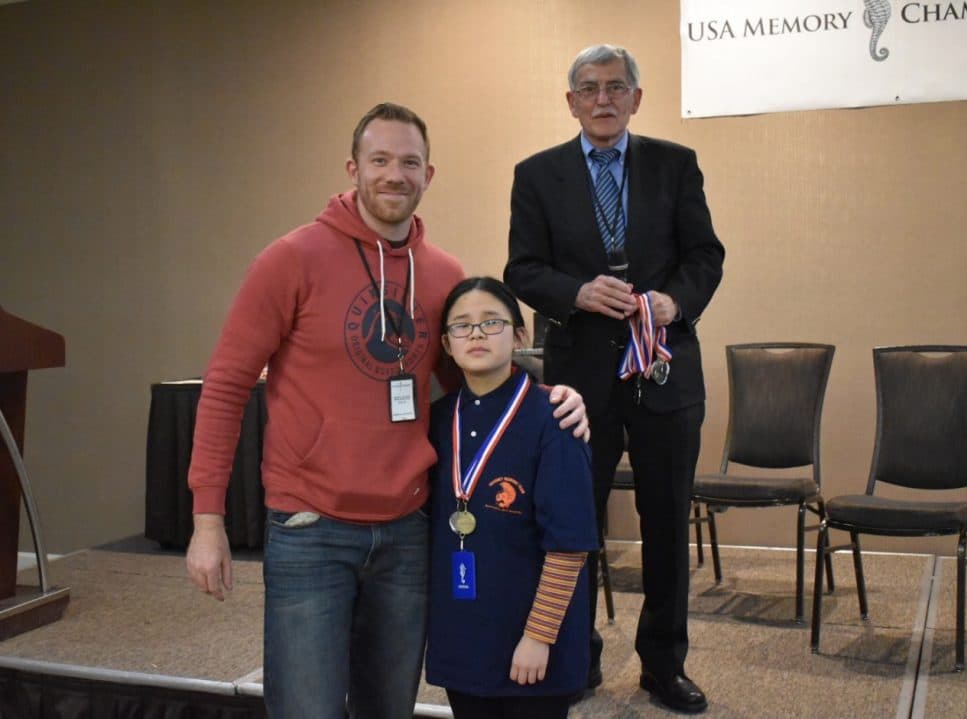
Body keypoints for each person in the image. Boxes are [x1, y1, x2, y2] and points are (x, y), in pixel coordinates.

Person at [184, 103, 588, 719]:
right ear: (353, 168)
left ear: (430, 174)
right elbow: (225, 387)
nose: (394, 175)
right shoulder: (289, 260)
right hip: (309, 527)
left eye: (409, 162)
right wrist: (207, 519)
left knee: (387, 709)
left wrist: (554, 395)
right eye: (379, 160)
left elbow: (480, 379)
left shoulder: (444, 277)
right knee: (306, 708)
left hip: (407, 530)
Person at [504, 45, 725, 714]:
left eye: (616, 87)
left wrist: (672, 303)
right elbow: (523, 271)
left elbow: (705, 256)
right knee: (573, 526)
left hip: (664, 376)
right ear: (571, 101)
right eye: (590, 89)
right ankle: (578, 657)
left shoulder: (674, 164)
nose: (603, 99)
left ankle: (663, 665)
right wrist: (576, 292)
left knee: (666, 529)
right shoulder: (537, 174)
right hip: (580, 387)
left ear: (636, 97)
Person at [425, 277, 598, 719]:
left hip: (534, 637)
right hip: (463, 634)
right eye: (462, 326)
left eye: (492, 322)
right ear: (446, 343)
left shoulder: (555, 418)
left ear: (520, 335)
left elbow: (570, 543)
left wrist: (538, 636)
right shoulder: (437, 421)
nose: (477, 333)